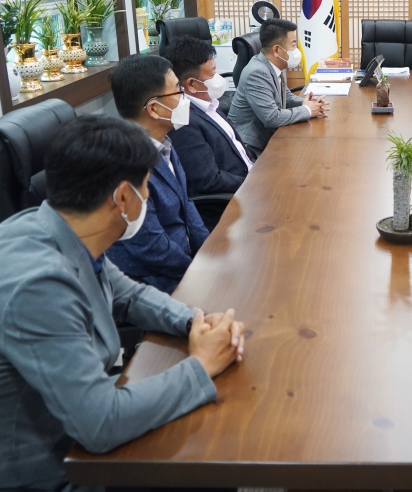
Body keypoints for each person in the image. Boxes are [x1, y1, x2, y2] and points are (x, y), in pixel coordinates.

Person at [0, 114, 246, 492]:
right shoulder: (37, 285)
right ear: (122, 198)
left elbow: (127, 293)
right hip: (33, 485)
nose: (148, 196)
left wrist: (195, 321)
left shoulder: (50, 226)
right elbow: (101, 424)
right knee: (207, 477)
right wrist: (203, 365)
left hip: (63, 430)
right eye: (147, 186)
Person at [107, 54, 210, 293]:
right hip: (153, 282)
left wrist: (209, 255)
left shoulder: (162, 141)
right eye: (178, 91)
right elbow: (151, 249)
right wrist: (200, 272)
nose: (185, 98)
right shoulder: (125, 163)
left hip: (183, 265)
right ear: (154, 108)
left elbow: (186, 204)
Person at [164, 36, 255, 227]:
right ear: (191, 84)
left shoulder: (210, 105)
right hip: (234, 206)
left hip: (251, 180)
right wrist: (255, 184)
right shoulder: (186, 122)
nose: (218, 79)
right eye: (212, 74)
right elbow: (209, 181)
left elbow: (237, 149)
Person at [228, 17, 328, 156]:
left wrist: (311, 103)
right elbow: (272, 118)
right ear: (276, 50)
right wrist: (307, 110)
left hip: (272, 135)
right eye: (293, 44)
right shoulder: (257, 72)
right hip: (251, 146)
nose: (296, 50)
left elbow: (285, 96)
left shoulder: (277, 64)